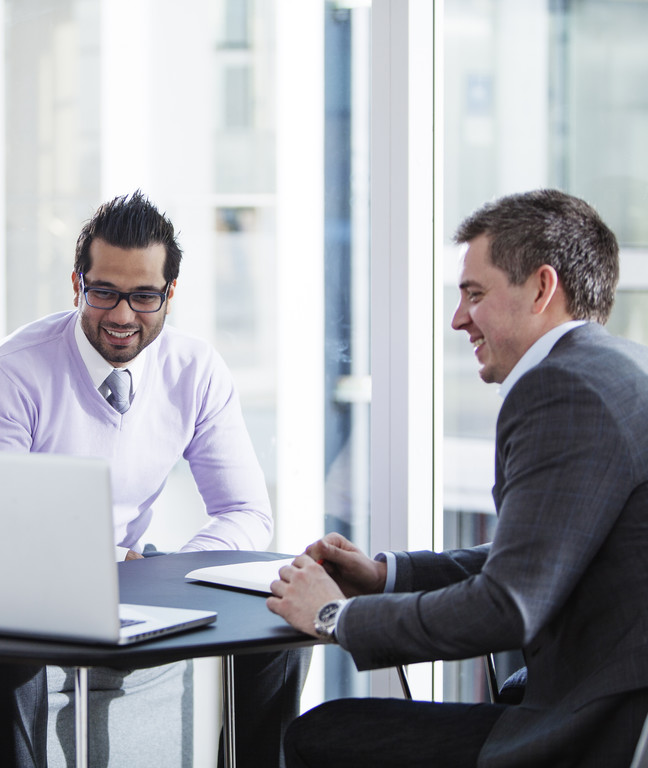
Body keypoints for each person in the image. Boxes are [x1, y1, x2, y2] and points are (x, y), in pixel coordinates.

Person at [268, 189, 648, 767]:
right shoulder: (618, 369)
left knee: (322, 733)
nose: (458, 318)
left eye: (475, 294)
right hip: (603, 700)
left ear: (542, 288)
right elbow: (533, 558)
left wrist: (334, 616)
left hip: (594, 728)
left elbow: (507, 604)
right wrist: (383, 576)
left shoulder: (563, 390)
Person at [0, 190, 310, 767]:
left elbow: (246, 512)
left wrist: (174, 571)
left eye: (144, 296)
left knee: (282, 613)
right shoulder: (11, 373)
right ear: (78, 285)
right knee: (3, 644)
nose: (122, 316)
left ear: (169, 294)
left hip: (140, 579)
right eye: (104, 293)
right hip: (33, 589)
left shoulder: (195, 370)